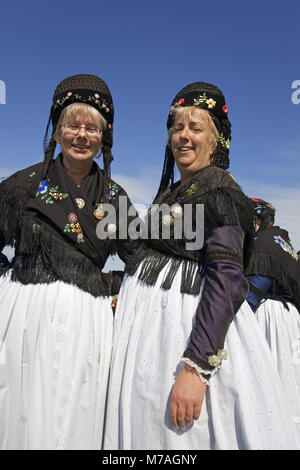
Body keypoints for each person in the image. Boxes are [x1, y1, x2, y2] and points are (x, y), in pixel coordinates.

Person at [104, 82, 298, 450]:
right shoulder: (172, 193)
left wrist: (196, 369)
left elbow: (228, 278)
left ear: (216, 140)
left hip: (187, 341)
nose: (183, 137)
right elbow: (150, 265)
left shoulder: (220, 191)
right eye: (177, 128)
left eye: (196, 128)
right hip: (151, 346)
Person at [0, 74, 137, 450]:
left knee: (77, 412)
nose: (81, 135)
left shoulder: (113, 197)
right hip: (25, 315)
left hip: (87, 319)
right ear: (57, 132)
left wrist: (111, 283)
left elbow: (140, 257)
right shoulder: (21, 186)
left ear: (103, 137)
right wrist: (7, 280)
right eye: (72, 125)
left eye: (91, 127)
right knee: (23, 406)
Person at [246, 198, 300, 441]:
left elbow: (254, 290)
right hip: (290, 317)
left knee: (266, 384)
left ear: (258, 220)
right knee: (289, 384)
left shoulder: (262, 243)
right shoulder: (285, 243)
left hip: (269, 317)